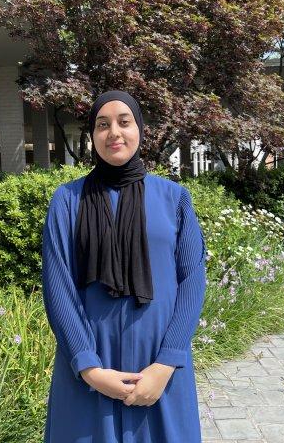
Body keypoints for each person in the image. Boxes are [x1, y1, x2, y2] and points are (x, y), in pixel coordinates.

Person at [41, 90, 208, 442]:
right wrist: (88, 367)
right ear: (93, 135)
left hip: (159, 365)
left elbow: (192, 280)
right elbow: (58, 287)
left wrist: (166, 363)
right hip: (89, 365)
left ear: (140, 130)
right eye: (102, 124)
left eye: (124, 121)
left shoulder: (174, 198)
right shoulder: (67, 201)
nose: (114, 132)